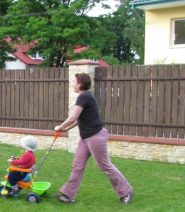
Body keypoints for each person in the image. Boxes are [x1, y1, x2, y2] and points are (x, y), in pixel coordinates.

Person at [53, 73, 134, 204]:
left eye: (74, 81)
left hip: (95, 136)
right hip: (86, 138)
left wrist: (59, 127)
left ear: (80, 84)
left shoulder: (84, 96)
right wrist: (66, 129)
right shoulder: (86, 96)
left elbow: (73, 117)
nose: (72, 84)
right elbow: (80, 118)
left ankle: (126, 191)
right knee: (77, 166)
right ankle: (68, 195)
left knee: (105, 166)